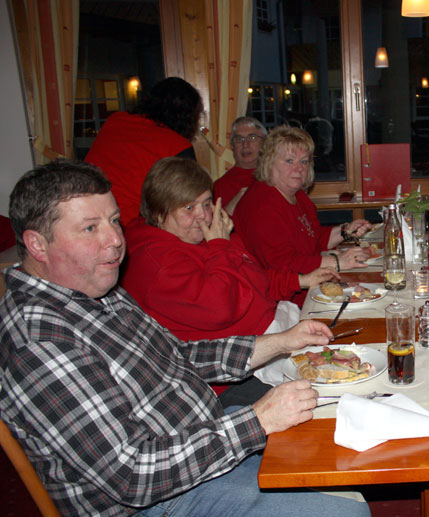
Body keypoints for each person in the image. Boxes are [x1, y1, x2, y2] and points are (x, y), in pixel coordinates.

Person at [0, 159, 373, 517]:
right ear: (37, 244)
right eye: (90, 228)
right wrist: (258, 421)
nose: (114, 239)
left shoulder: (95, 291)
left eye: (114, 221)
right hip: (148, 509)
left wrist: (280, 342)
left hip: (194, 449)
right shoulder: (39, 341)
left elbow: (178, 355)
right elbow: (131, 474)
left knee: (331, 450)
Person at [122, 157, 339, 388]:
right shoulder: (157, 262)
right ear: (158, 213)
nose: (203, 216)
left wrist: (301, 280)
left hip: (275, 335)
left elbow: (254, 278)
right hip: (235, 377)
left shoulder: (195, 238)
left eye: (206, 204)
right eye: (188, 207)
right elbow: (221, 307)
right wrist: (219, 246)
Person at [233, 125, 371, 305]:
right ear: (269, 162)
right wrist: (337, 262)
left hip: (309, 292)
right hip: (279, 303)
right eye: (289, 161)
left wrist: (345, 231)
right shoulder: (260, 205)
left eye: (304, 161)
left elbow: (313, 238)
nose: (299, 168)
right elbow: (282, 265)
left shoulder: (298, 196)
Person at [86, 77, 201, 225]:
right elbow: (188, 203)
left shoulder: (115, 120)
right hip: (129, 225)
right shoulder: (177, 145)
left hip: (88, 215)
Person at [213, 116, 267, 214]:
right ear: (232, 146)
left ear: (264, 143)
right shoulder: (220, 187)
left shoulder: (276, 177)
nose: (245, 144)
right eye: (239, 139)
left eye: (252, 137)